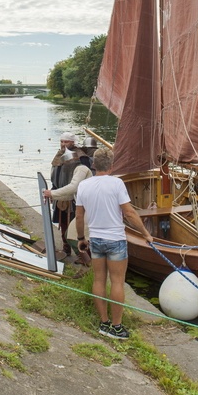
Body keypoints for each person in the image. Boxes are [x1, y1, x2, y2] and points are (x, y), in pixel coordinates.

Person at [75, 148, 153, 340]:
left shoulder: (84, 186)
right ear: (111, 166)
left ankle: (104, 323)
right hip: (116, 240)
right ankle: (117, 327)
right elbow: (129, 213)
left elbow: (79, 215)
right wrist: (146, 234)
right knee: (117, 282)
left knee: (99, 280)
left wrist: (80, 239)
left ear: (93, 164)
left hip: (96, 240)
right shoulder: (117, 183)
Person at [43, 136, 98, 263]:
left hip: (89, 208)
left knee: (76, 235)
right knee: (71, 234)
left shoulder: (81, 169)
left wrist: (52, 193)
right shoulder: (76, 169)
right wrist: (53, 195)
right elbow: (70, 194)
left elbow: (73, 187)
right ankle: (87, 260)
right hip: (82, 205)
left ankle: (88, 260)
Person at [49, 132, 84, 254]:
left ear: (73, 142)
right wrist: (53, 190)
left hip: (74, 197)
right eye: (62, 141)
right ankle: (66, 248)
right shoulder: (59, 155)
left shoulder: (79, 156)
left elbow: (79, 179)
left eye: (66, 142)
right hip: (60, 195)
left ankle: (82, 253)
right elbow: (55, 174)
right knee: (63, 223)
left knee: (75, 226)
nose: (63, 144)